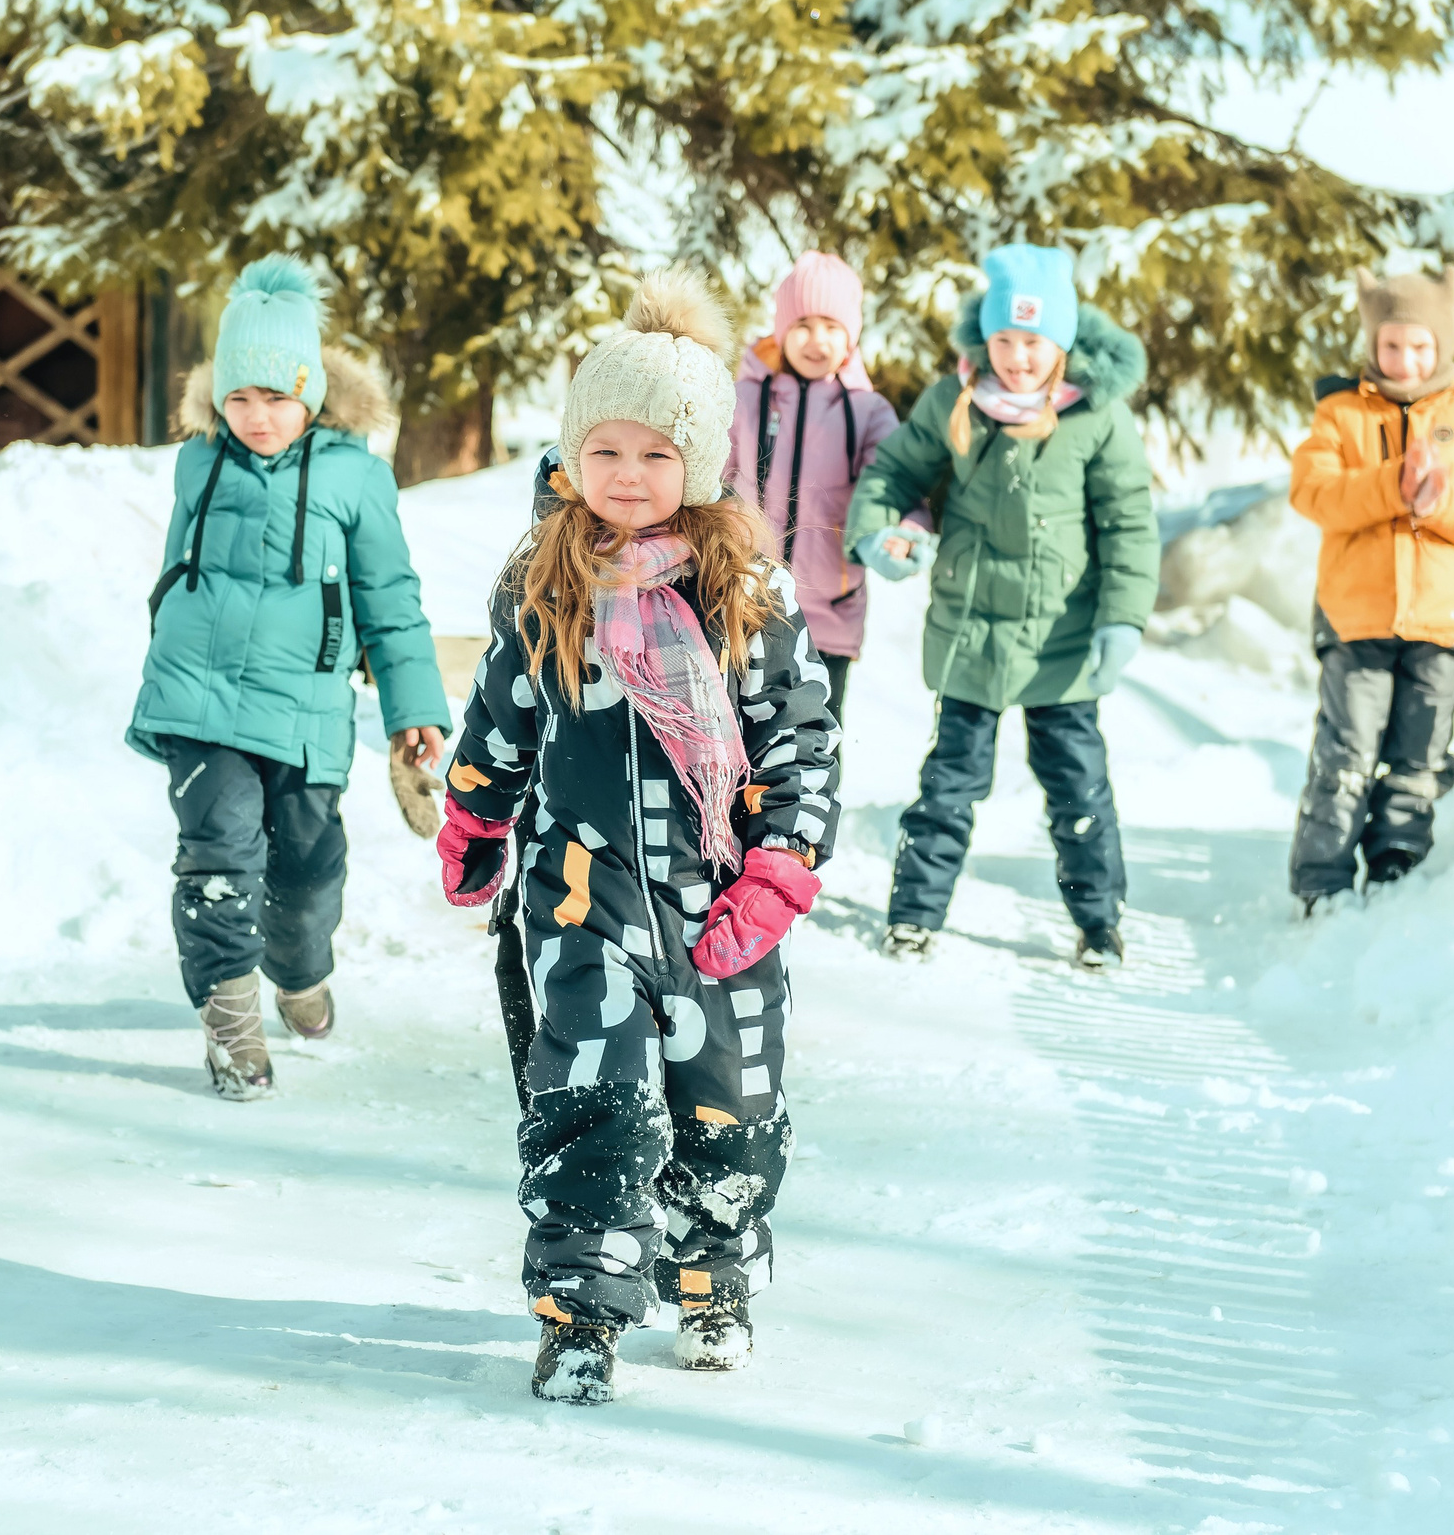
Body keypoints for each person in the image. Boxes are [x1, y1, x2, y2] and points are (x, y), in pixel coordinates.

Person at [436, 270, 840, 1405]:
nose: (628, 476)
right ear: (572, 459)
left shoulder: (743, 589)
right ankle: (581, 1315)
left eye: (655, 454)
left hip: (720, 900)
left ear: (700, 464)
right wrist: (474, 811)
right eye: (605, 451)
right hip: (579, 893)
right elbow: (503, 713)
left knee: (729, 1102)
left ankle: (713, 1276)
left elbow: (802, 739)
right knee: (589, 1104)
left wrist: (781, 865)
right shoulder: (546, 578)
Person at [126, 256, 448, 1099]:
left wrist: (415, 708)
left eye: (275, 398)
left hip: (305, 710)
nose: (256, 417)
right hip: (199, 700)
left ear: (311, 392)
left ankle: (299, 970)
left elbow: (390, 598)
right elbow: (175, 570)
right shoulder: (199, 462)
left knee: (306, 875)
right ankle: (230, 1021)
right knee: (217, 858)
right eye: (238, 398)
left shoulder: (356, 476)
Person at [842, 243, 1158, 972]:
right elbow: (894, 472)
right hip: (970, 629)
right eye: (1006, 339)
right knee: (949, 783)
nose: (1018, 358)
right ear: (986, 337)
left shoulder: (1097, 418)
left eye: (1034, 341)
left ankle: (1099, 922)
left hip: (1063, 635)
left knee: (1077, 787)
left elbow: (1129, 523)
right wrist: (880, 531)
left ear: (1063, 343)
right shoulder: (955, 400)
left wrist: (1122, 616)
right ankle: (914, 915)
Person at [1287, 269, 1454, 912]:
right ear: (1372, 344)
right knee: (1347, 754)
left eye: (1421, 347)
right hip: (1356, 617)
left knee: (1419, 755)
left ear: (1443, 345)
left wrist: (1440, 499)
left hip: (1439, 621)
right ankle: (1322, 878)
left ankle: (1397, 865)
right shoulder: (1340, 414)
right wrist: (1392, 485)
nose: (1406, 361)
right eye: (1392, 346)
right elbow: (1314, 493)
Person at [722, 251, 906, 720]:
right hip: (744, 599)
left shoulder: (868, 411)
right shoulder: (741, 399)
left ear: (852, 333)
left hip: (829, 609)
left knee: (814, 735)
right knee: (738, 732)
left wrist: (900, 531)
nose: (817, 340)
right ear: (782, 330)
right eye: (803, 324)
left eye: (831, 325)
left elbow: (894, 484)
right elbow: (711, 477)